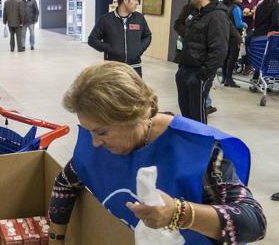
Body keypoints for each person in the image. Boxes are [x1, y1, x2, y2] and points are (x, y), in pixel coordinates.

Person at [48, 62, 266, 245]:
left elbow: (254, 223)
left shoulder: (201, 150)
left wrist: (179, 214)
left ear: (133, 115)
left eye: (101, 132)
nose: (94, 142)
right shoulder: (98, 140)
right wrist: (55, 238)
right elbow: (65, 182)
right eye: (89, 131)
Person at [176, 0, 229, 124]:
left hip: (199, 74)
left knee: (197, 118)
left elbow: (219, 50)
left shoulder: (217, 17)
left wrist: (202, 75)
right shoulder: (197, 13)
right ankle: (190, 143)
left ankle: (201, 145)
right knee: (187, 116)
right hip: (185, 69)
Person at [88, 0, 152, 77]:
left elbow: (147, 36)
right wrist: (109, 49)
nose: (137, 3)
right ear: (125, 0)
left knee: (134, 91)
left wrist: (139, 49)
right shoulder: (106, 20)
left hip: (134, 69)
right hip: (113, 69)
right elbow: (92, 39)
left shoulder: (139, 18)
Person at [250, 0, 279, 82]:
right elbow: (275, 22)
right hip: (269, 36)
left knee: (260, 58)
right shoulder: (276, 6)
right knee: (269, 58)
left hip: (258, 35)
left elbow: (256, 21)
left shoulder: (259, 6)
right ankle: (266, 79)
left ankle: (256, 77)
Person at [222, 0, 246, 88]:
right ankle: (229, 79)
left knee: (226, 57)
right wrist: (246, 24)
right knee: (233, 58)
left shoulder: (228, 7)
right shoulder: (236, 8)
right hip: (235, 36)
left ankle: (224, 77)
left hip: (227, 35)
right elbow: (239, 24)